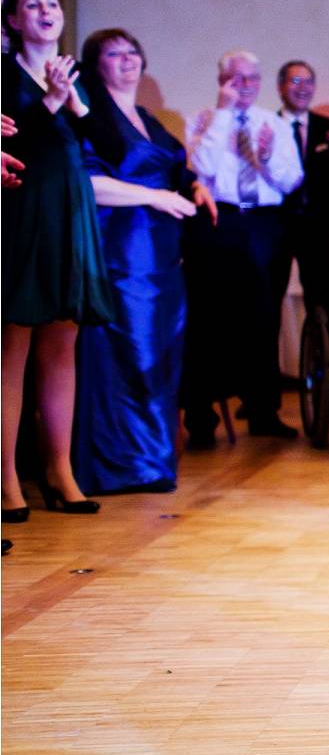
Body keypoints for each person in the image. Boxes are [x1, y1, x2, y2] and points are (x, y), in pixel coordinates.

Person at [74, 29, 211, 495]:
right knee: (129, 353)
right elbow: (88, 184)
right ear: (97, 66)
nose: (127, 61)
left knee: (162, 357)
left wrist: (195, 187)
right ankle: (123, 467)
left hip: (164, 254)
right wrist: (154, 196)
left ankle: (154, 461)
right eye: (114, 54)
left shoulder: (149, 118)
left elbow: (175, 168)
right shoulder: (92, 116)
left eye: (133, 52)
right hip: (123, 251)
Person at [1, 0, 116, 522]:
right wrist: (48, 103)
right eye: (31, 4)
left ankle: (60, 470)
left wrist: (73, 99)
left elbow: (116, 149)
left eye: (52, 3)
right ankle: (7, 481)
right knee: (13, 348)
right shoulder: (3, 74)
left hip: (71, 214)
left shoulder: (79, 76)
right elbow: (15, 145)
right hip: (23, 211)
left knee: (62, 346)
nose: (44, 11)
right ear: (13, 21)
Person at [182, 49, 303, 445]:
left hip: (265, 222)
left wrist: (265, 159)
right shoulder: (202, 118)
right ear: (222, 81)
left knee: (263, 317)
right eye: (237, 79)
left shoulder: (274, 123)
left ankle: (263, 411)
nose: (246, 86)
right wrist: (222, 113)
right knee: (209, 318)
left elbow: (290, 180)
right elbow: (201, 169)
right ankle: (201, 419)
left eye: (253, 78)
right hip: (220, 220)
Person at [274, 59, 329, 315]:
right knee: (270, 297)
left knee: (321, 301)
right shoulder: (266, 126)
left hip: (319, 227)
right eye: (295, 81)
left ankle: (323, 354)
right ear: (280, 87)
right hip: (277, 225)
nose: (302, 88)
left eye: (308, 81)